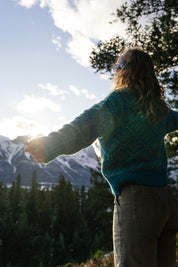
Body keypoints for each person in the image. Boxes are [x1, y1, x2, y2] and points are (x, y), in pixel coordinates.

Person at [24, 47, 178, 267]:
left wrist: (49, 145)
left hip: (137, 203)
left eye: (120, 65)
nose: (115, 69)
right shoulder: (157, 107)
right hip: (166, 203)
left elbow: (83, 127)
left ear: (131, 71)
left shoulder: (118, 102)